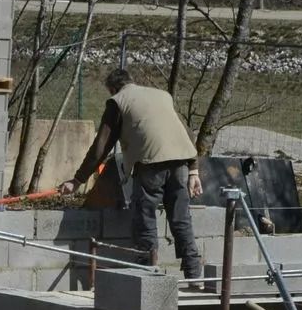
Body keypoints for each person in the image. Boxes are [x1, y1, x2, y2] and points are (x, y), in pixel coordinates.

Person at [59, 68, 205, 279]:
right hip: (181, 163)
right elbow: (186, 133)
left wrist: (78, 179)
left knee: (145, 216)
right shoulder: (162, 96)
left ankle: (148, 271)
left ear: (113, 88)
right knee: (181, 219)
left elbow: (102, 146)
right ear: (131, 81)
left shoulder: (118, 101)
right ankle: (194, 276)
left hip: (150, 163)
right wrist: (193, 170)